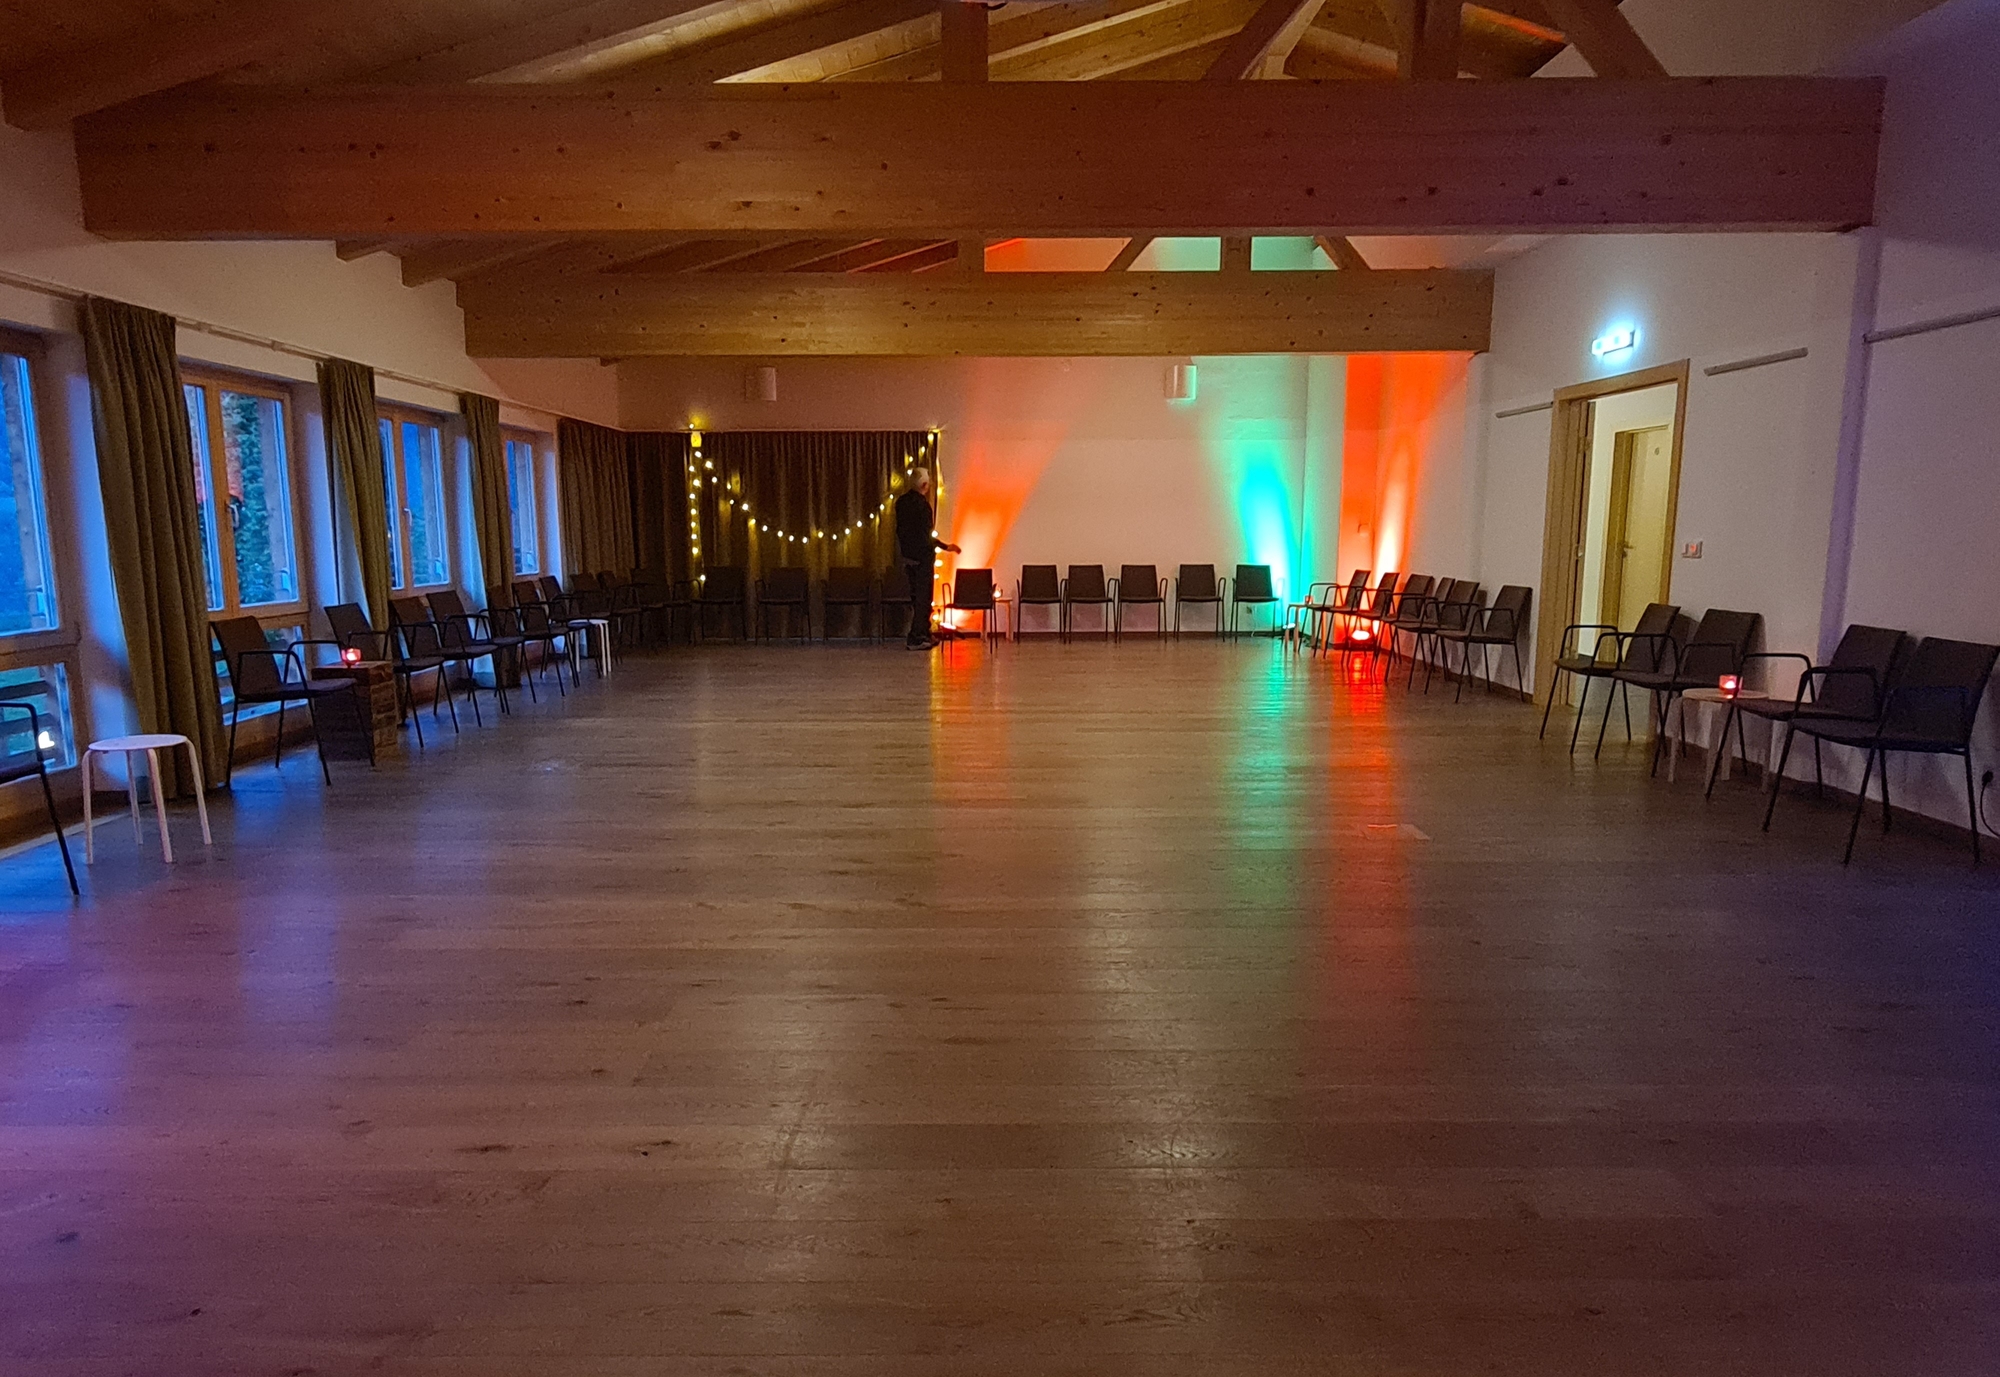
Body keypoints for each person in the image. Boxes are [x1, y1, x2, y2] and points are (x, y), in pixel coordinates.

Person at [893, 467, 960, 649]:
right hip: (922, 557)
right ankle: (917, 637)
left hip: (907, 556)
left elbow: (901, 530)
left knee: (916, 597)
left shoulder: (901, 502)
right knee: (923, 598)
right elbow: (925, 535)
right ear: (924, 485)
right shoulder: (922, 506)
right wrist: (945, 546)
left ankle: (922, 633)